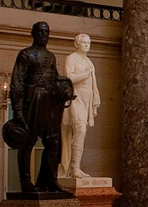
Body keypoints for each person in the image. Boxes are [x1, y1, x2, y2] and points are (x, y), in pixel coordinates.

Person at [9, 21, 74, 192]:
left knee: (53, 142)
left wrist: (66, 91)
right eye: (41, 32)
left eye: (46, 32)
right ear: (33, 34)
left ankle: (49, 180)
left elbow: (56, 79)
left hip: (49, 101)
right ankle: (26, 183)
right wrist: (18, 109)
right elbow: (17, 83)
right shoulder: (26, 55)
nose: (44, 35)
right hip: (32, 101)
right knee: (28, 141)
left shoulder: (51, 57)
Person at [60, 34, 101, 178]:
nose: (86, 45)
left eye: (88, 42)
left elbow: (93, 84)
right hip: (75, 97)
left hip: (86, 99)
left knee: (81, 133)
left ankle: (75, 167)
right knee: (80, 129)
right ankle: (74, 167)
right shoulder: (71, 58)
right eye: (83, 42)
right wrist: (85, 74)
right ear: (76, 44)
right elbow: (69, 78)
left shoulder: (89, 62)